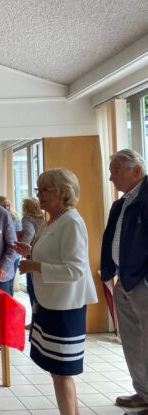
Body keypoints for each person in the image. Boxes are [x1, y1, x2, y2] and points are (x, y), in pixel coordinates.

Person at [15, 168, 97, 415]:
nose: (38, 195)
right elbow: (55, 254)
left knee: (62, 373)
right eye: (37, 189)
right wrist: (30, 251)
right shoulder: (54, 220)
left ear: (62, 192)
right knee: (58, 372)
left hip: (65, 306)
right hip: (51, 303)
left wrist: (34, 265)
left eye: (44, 190)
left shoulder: (71, 222)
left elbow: (75, 270)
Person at [100, 149, 148, 413]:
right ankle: (143, 392)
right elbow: (111, 238)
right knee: (131, 341)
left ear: (137, 171)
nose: (111, 178)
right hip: (124, 280)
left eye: (116, 171)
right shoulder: (121, 203)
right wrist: (109, 272)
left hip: (142, 281)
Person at [20, 198, 45, 309]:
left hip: (32, 252)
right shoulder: (43, 218)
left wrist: (23, 247)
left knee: (32, 287)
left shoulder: (27, 218)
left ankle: (35, 314)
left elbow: (29, 233)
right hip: (43, 252)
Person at [0, 195, 22, 279]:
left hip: (13, 254)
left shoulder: (15, 217)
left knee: (10, 280)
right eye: (3, 206)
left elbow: (18, 236)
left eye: (8, 205)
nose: (6, 208)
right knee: (1, 279)